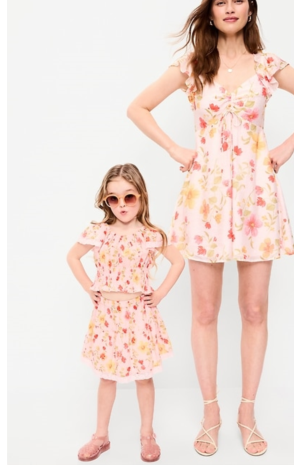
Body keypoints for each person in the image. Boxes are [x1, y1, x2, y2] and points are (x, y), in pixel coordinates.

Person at [126, 0, 294, 458]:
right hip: (205, 197)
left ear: (249, 8)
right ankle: (210, 413)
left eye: (237, 0)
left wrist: (286, 146)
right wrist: (175, 148)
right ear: (210, 11)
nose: (229, 8)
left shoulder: (268, 65)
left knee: (254, 309)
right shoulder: (193, 65)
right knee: (204, 311)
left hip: (257, 198)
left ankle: (247, 412)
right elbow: (138, 107)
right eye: (220, 2)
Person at [66, 163, 185, 462]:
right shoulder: (98, 232)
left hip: (139, 316)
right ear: (106, 200)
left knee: (143, 378)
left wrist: (159, 293)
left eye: (129, 197)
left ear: (141, 196)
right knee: (107, 377)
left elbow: (178, 261)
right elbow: (73, 256)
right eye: (113, 198)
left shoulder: (150, 235)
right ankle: (100, 436)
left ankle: (147, 434)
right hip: (107, 317)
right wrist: (89, 287)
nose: (122, 205)